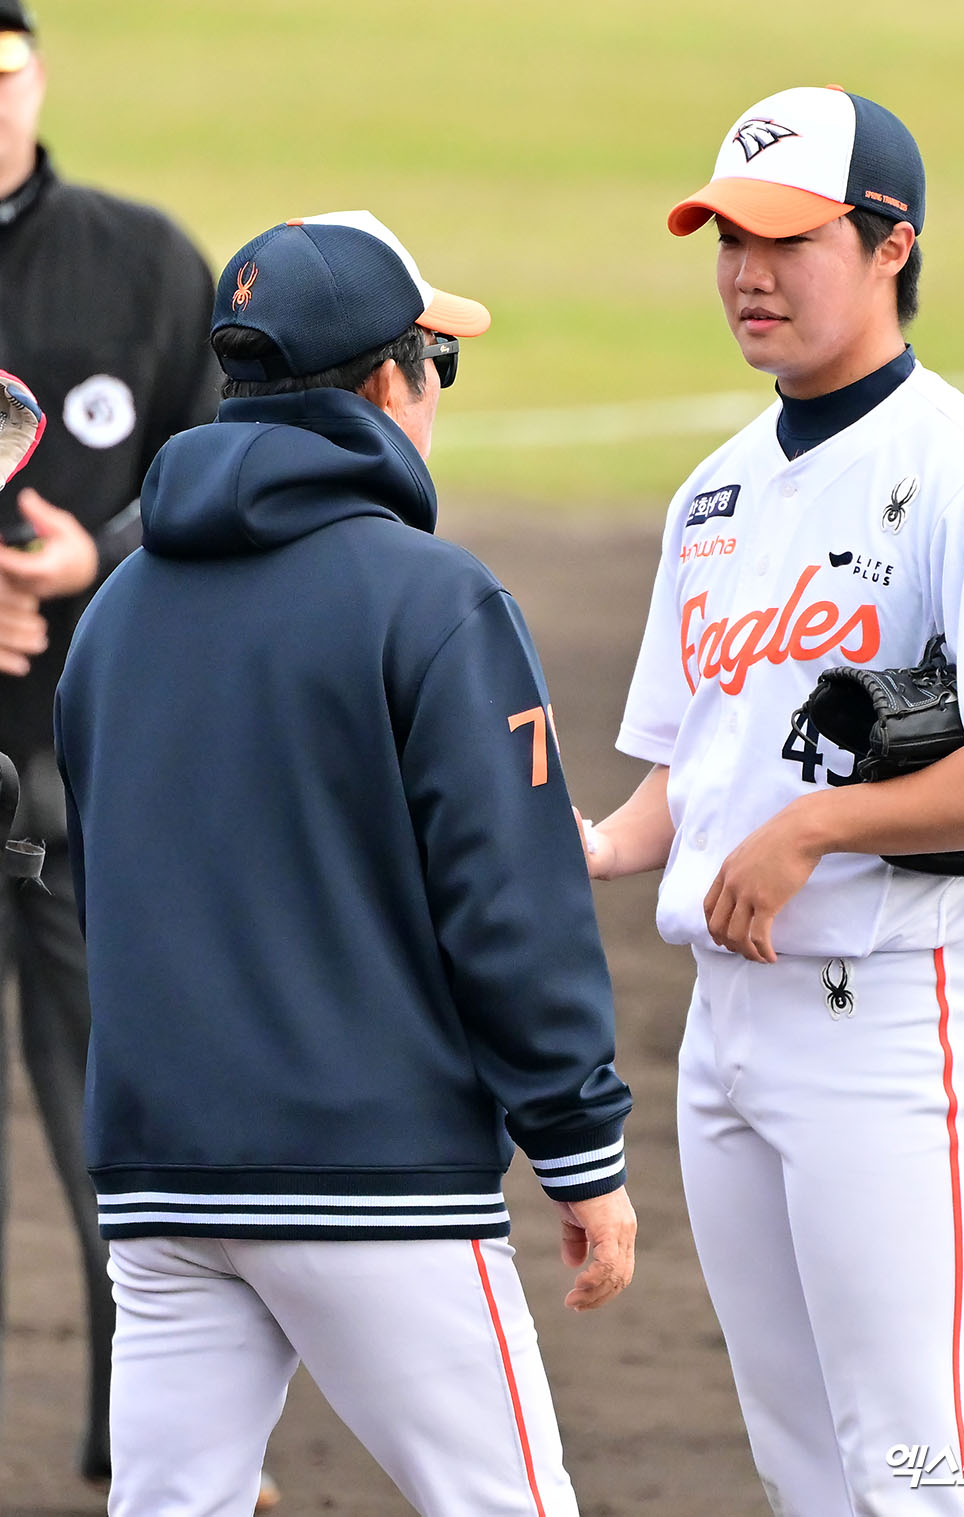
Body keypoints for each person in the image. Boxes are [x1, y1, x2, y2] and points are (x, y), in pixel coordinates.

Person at [53, 209, 636, 1517]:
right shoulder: (435, 600)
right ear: (388, 384)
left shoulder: (118, 615)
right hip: (374, 1177)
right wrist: (582, 1151)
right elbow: (514, 904)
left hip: (160, 1185)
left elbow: (112, 893)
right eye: (437, 362)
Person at [582, 87, 964, 1516]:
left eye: (786, 237)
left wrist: (817, 824)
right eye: (725, 238)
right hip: (729, 1034)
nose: (747, 272)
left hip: (898, 1018)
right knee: (802, 1464)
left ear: (891, 244)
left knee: (909, 1464)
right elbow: (684, 778)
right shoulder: (714, 493)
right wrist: (575, 850)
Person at [0, 1, 227, 1492]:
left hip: (92, 778)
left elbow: (219, 475)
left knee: (118, 1120)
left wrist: (100, 557)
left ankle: (140, 1444)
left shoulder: (141, 260)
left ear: (35, 76)